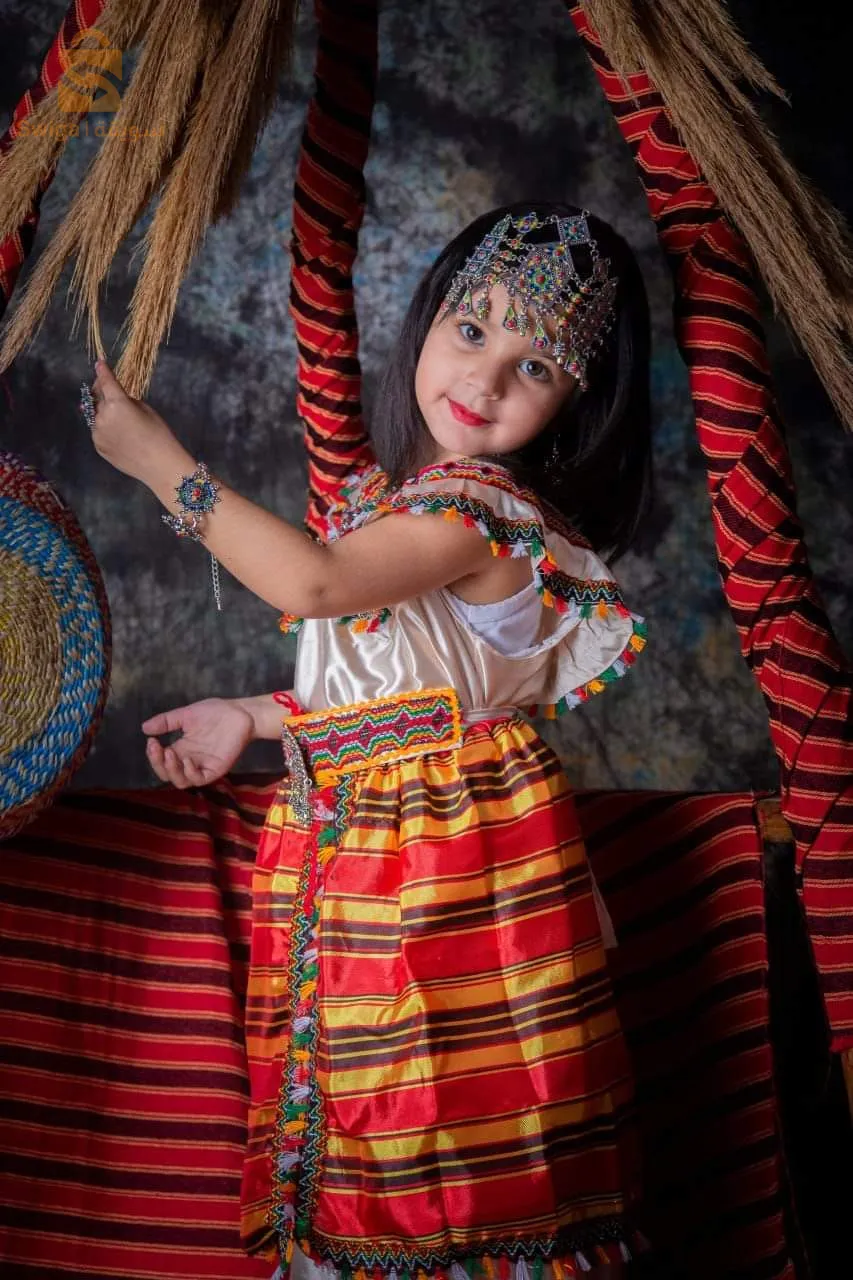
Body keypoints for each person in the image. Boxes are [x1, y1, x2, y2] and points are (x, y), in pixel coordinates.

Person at [86, 201, 652, 1279]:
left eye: (536, 366)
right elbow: (411, 692)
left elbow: (312, 583)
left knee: (437, 1149)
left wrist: (163, 466)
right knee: (371, 1131)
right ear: (428, 315)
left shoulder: (480, 508)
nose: (484, 380)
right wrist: (248, 718)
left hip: (447, 877)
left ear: (576, 399)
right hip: (387, 848)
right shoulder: (413, 501)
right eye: (474, 328)